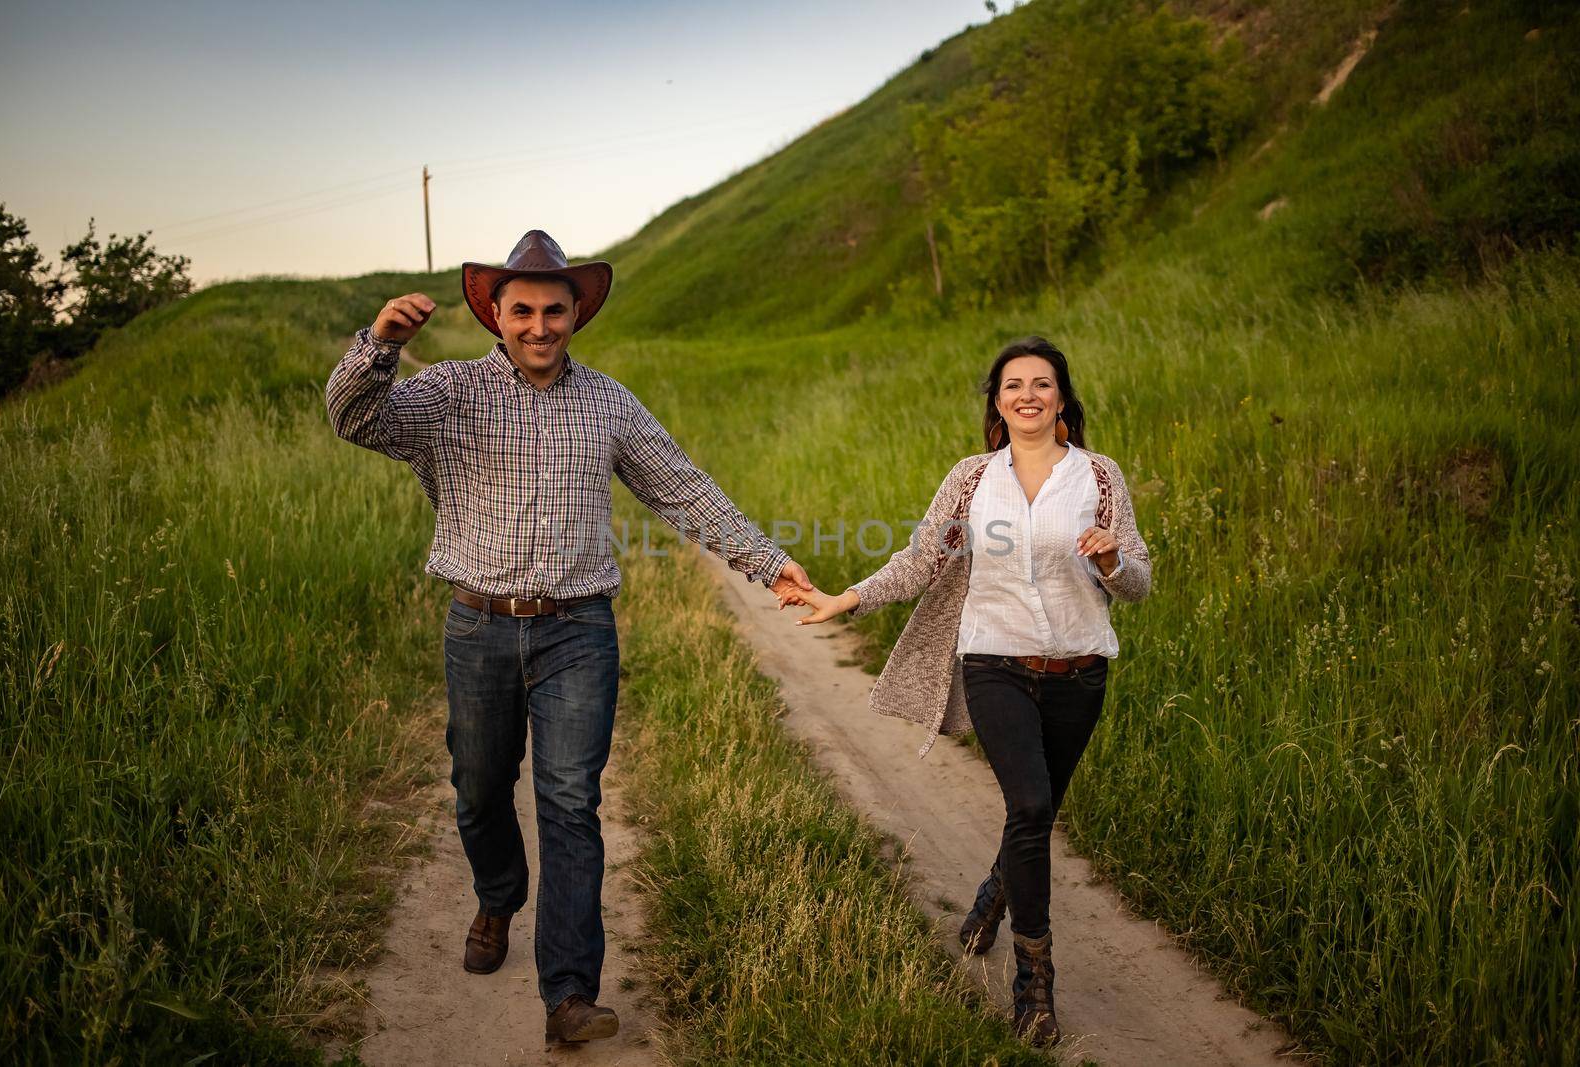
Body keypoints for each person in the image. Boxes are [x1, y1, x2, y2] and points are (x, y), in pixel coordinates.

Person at [324, 230, 813, 1045]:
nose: (540, 325)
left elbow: (683, 490)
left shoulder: (611, 403)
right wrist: (379, 345)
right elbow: (353, 418)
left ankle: (569, 993)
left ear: (577, 312)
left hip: (579, 632)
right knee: (480, 789)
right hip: (477, 624)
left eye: (555, 309)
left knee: (570, 803)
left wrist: (770, 564)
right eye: (523, 310)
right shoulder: (448, 394)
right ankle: (497, 895)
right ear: (496, 314)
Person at [781, 336, 1150, 1047]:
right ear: (998, 400)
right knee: (1033, 803)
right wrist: (845, 599)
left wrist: (1114, 560)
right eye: (1014, 384)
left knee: (1033, 816)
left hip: (1079, 671)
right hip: (994, 663)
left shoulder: (1100, 477)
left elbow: (1139, 582)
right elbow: (921, 559)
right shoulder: (973, 479)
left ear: (1063, 398)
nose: (1029, 395)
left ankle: (995, 891)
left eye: (1043, 384)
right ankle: (1034, 983)